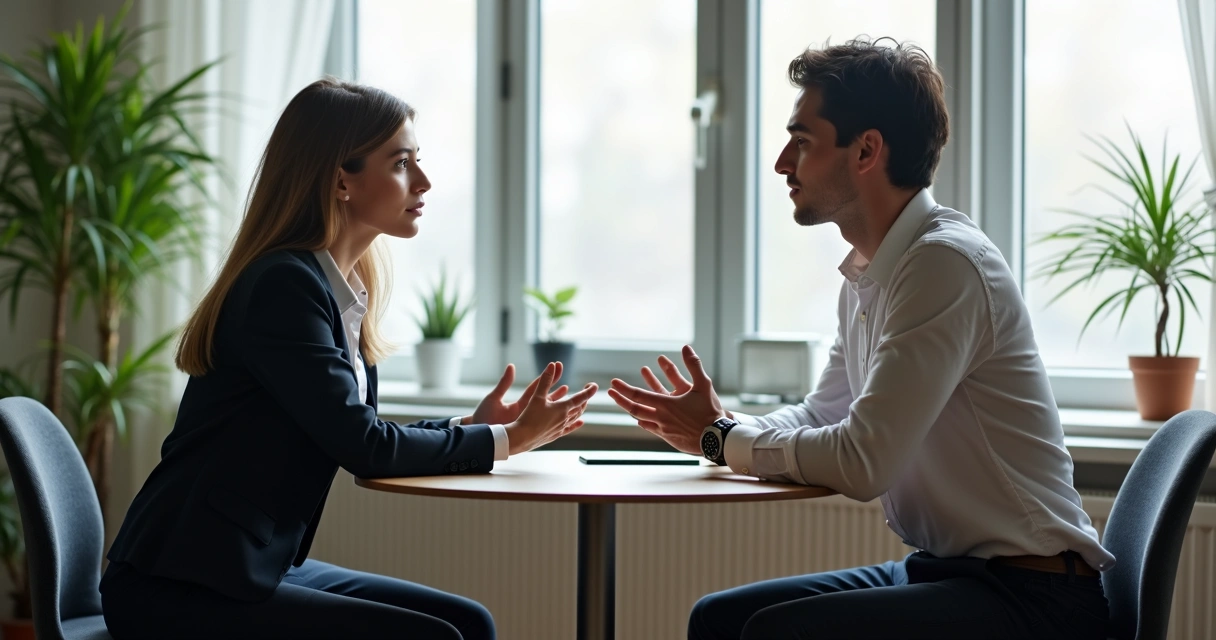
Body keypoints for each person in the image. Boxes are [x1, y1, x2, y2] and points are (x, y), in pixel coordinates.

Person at [607, 37, 1113, 640]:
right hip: (944, 572)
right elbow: (824, 413)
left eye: (802, 142)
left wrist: (723, 439)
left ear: (867, 149)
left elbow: (863, 460)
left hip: (1034, 596)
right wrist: (718, 425)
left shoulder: (942, 265)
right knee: (719, 619)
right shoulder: (872, 274)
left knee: (773, 633)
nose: (780, 163)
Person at [99, 78, 598, 640]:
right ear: (341, 180)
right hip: (180, 585)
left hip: (248, 568)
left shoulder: (338, 289)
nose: (424, 182)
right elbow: (365, 448)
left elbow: (355, 428)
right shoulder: (283, 287)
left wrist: (474, 427)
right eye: (402, 163)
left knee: (467, 622)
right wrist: (506, 441)